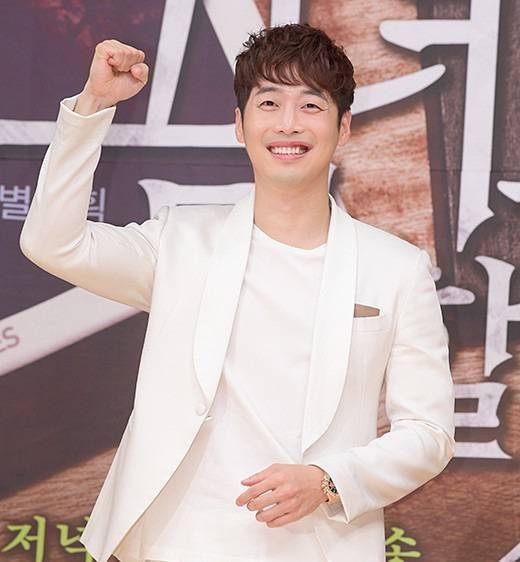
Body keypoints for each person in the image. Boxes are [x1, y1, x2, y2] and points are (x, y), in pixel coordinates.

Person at [19, 22, 455, 562]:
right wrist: (93, 106)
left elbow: (429, 432)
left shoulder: (397, 268)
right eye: (268, 103)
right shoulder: (181, 240)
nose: (288, 123)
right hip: (174, 543)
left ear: (343, 127)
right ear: (239, 124)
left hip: (317, 545)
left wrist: (328, 479)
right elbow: (52, 242)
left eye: (311, 105)